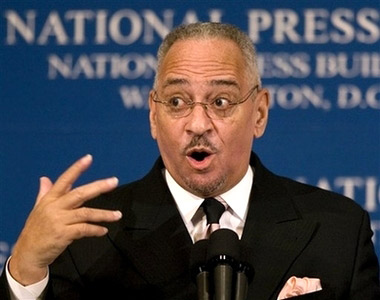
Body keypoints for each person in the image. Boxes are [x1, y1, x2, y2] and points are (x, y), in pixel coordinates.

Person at [0, 22, 379, 300]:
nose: (198, 124)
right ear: (153, 115)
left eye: (221, 102)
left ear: (259, 113)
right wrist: (25, 272)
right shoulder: (87, 237)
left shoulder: (338, 229)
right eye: (177, 102)